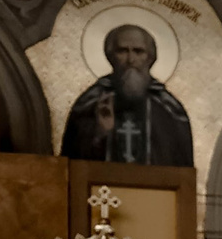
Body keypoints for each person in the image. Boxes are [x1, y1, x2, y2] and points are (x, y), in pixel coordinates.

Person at [61, 23, 194, 165]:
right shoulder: (90, 103)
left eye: (138, 51)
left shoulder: (169, 109)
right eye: (122, 51)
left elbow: (183, 171)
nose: (131, 60)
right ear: (110, 56)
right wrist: (100, 133)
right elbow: (70, 166)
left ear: (150, 58)